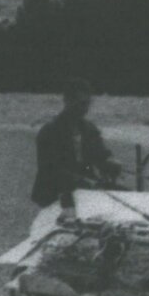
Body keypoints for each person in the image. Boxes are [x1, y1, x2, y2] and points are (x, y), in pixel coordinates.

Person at [31, 78, 122, 209]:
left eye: (87, 104)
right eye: (80, 104)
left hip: (86, 190)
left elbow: (101, 155)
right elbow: (50, 170)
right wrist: (81, 181)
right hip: (53, 193)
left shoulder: (90, 129)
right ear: (67, 101)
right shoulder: (49, 131)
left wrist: (110, 162)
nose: (84, 109)